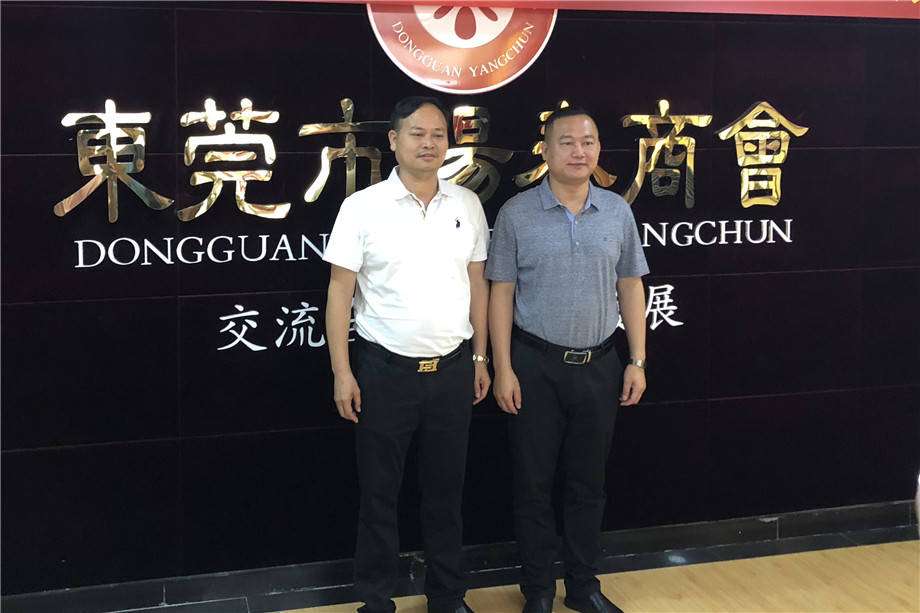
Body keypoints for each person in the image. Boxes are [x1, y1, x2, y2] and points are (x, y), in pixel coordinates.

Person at [323, 96, 491, 613]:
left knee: (446, 494)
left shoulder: (467, 204)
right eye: (417, 133)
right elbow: (339, 292)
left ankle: (448, 597)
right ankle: (376, 601)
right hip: (384, 373)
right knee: (379, 496)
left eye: (439, 134)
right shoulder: (362, 206)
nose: (429, 143)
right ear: (394, 140)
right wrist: (342, 372)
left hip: (453, 371)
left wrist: (480, 358)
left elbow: (478, 284)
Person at [485, 106, 649, 613]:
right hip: (534, 366)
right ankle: (537, 590)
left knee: (588, 486)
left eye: (588, 141)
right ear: (546, 150)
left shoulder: (617, 211)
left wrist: (637, 360)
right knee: (532, 486)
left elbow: (631, 286)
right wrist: (502, 367)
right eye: (567, 142)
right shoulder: (516, 213)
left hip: (601, 365)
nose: (579, 151)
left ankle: (583, 587)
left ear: (599, 149)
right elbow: (500, 294)